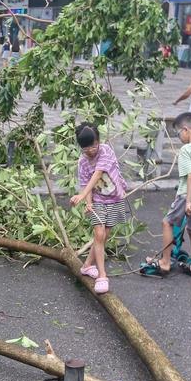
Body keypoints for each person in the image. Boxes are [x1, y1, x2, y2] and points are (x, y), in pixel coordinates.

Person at [146, 113, 191, 279]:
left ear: (186, 130)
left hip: (188, 195)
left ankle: (165, 262)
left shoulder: (186, 150)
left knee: (167, 223)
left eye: (178, 133)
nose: (178, 137)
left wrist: (188, 201)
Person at [68, 123, 129, 295]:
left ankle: (87, 266)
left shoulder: (106, 151)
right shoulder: (82, 162)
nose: (91, 151)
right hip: (98, 201)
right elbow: (85, 181)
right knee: (99, 234)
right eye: (86, 149)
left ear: (99, 141)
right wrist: (88, 201)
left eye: (93, 146)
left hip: (116, 197)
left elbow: (97, 174)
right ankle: (102, 276)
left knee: (104, 235)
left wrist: (80, 195)